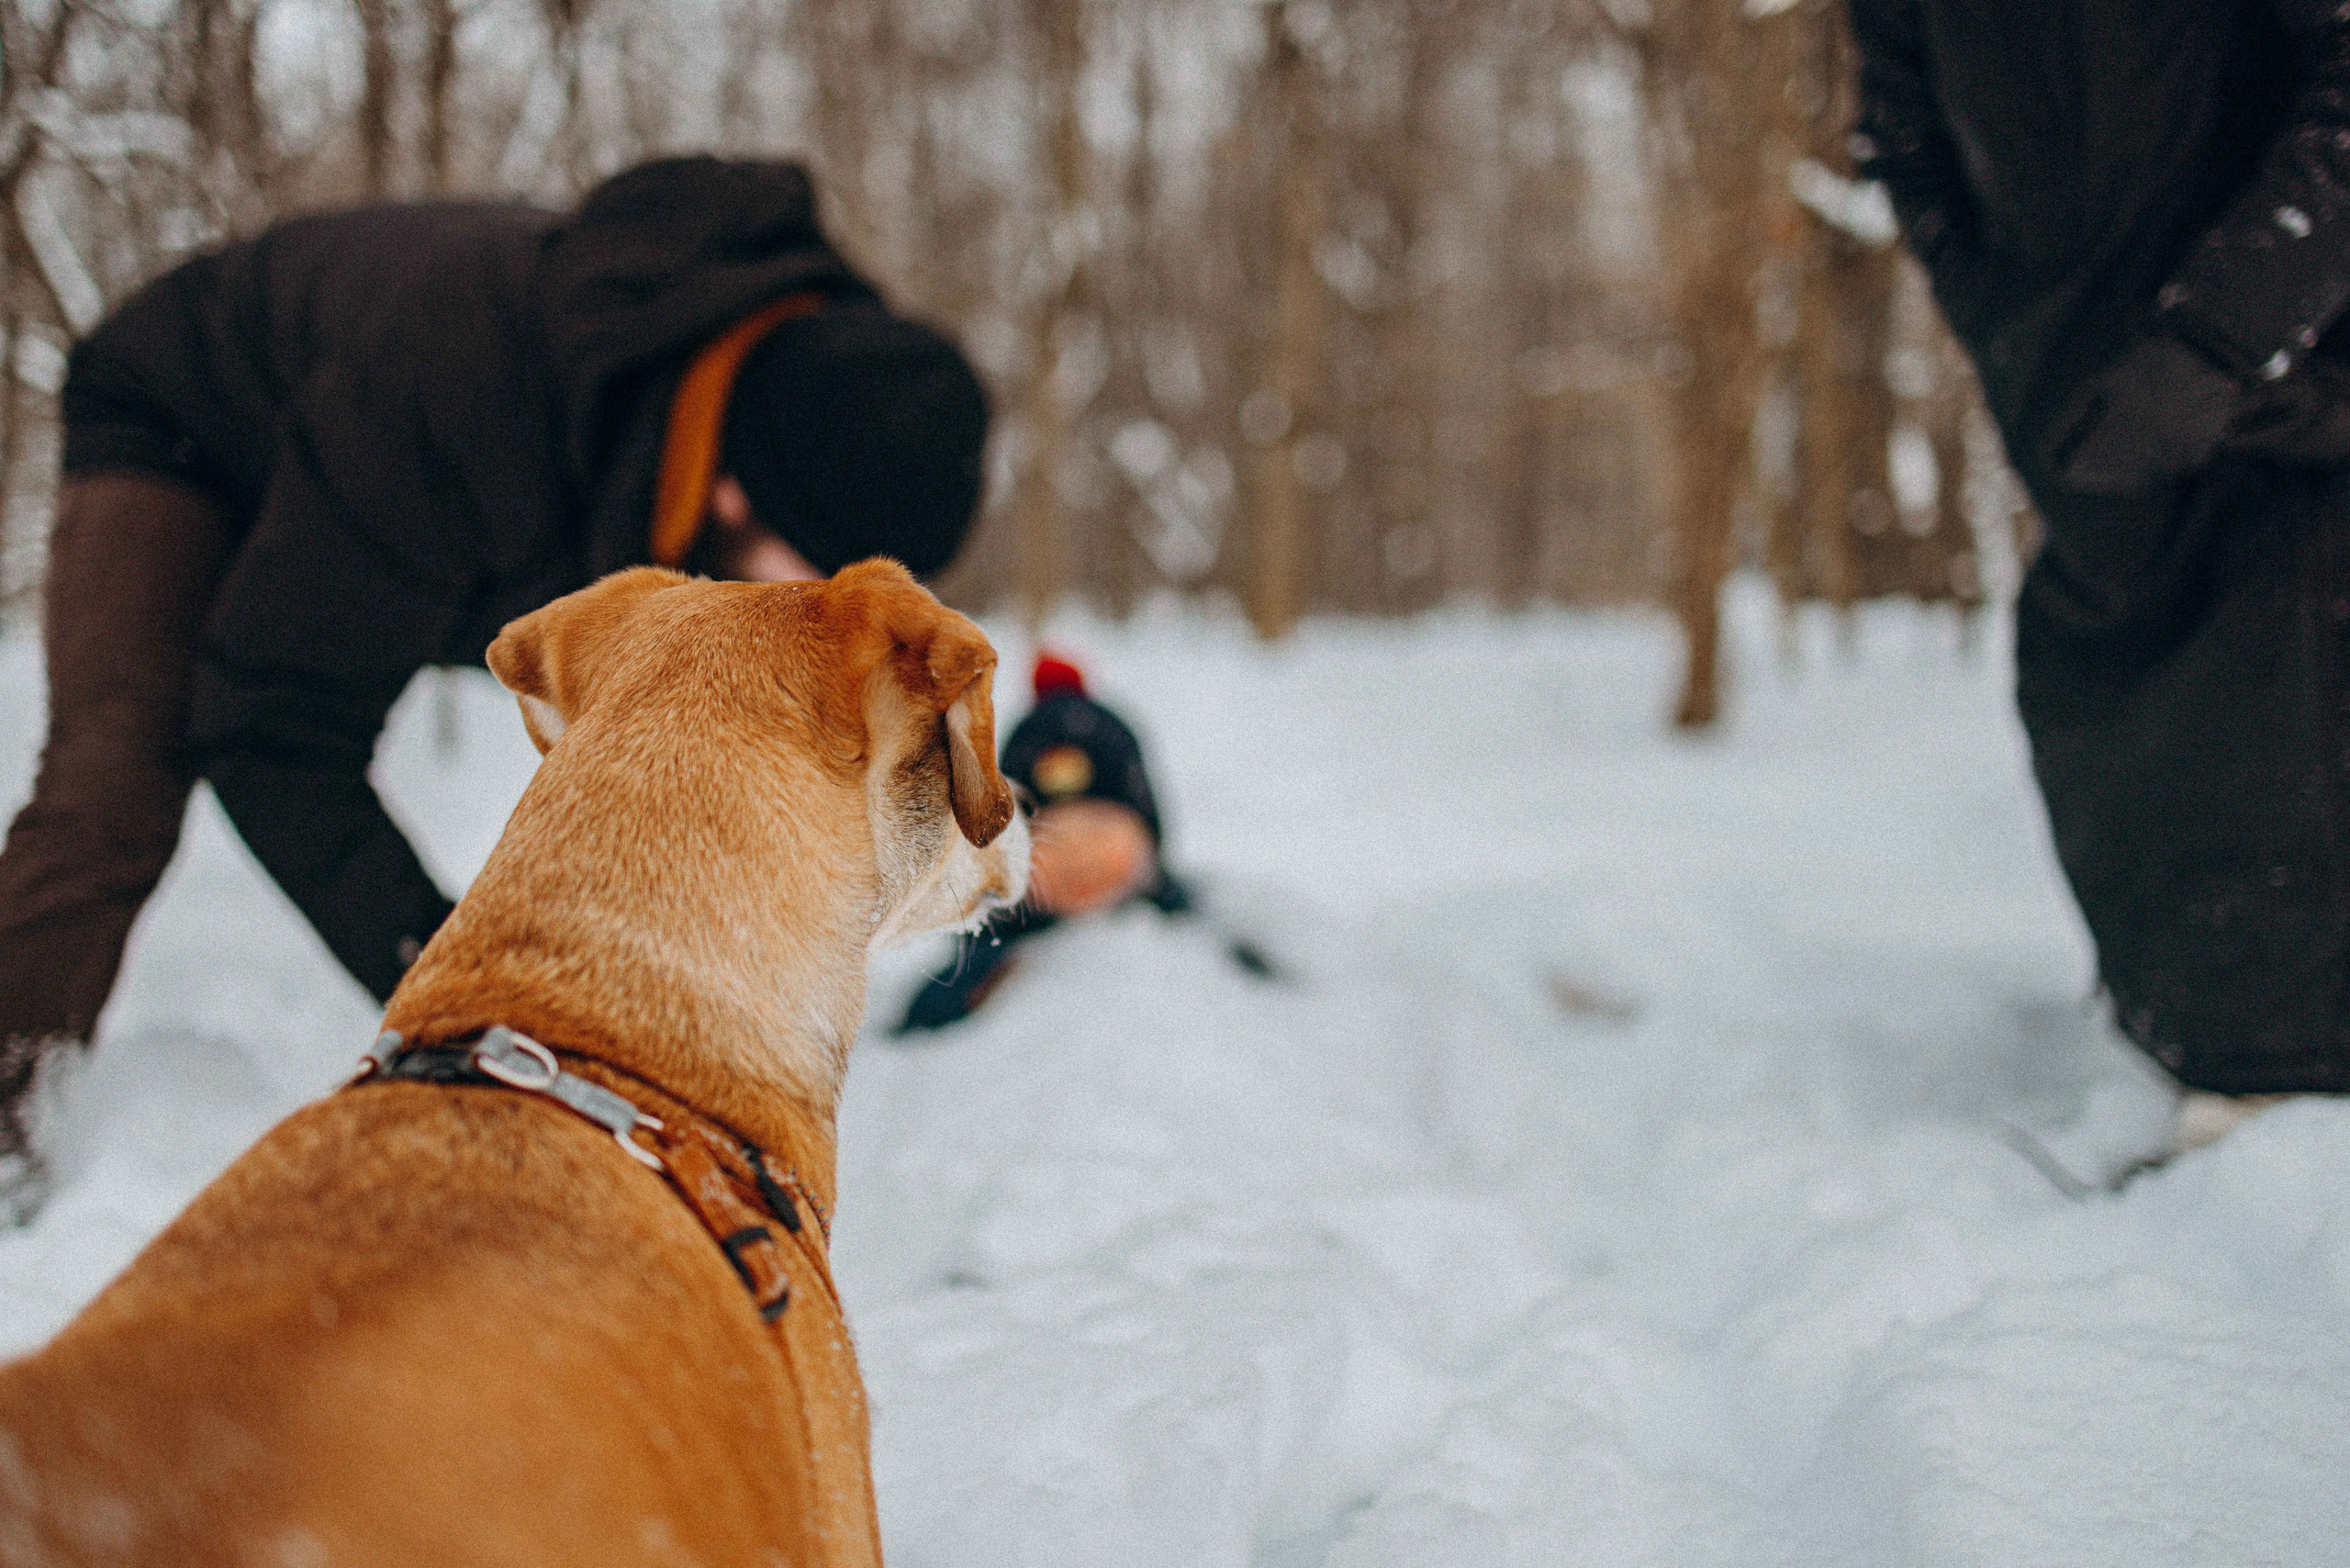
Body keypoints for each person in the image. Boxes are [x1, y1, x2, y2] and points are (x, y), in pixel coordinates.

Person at [0, 156, 990, 1206]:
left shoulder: (797, 376)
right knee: (122, 769)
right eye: (812, 564)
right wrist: (462, 983)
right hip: (189, 416)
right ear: (739, 488)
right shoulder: (467, 395)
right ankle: (9, 1101)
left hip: (371, 474)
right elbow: (273, 726)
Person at [1848, 1, 2350, 1142]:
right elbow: (1901, 126)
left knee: (2284, 690)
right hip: (2081, 385)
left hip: (2296, 366)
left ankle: (2287, 1105)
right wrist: (2012, 338)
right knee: (2110, 705)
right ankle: (2205, 1054)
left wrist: (2221, 340)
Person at [896, 653, 1271, 1034]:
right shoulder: (1111, 727)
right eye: (1054, 842)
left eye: (1097, 831)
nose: (1080, 858)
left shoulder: (1021, 734)